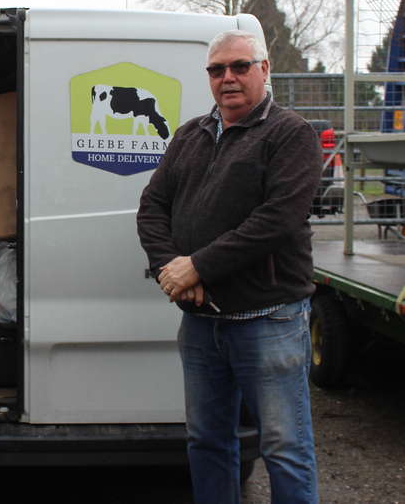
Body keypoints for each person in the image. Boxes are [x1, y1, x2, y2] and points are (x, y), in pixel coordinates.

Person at [137, 30, 321, 504]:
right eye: (217, 70)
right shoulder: (190, 135)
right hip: (202, 324)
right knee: (207, 442)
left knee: (285, 448)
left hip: (269, 320)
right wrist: (170, 268)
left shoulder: (290, 133)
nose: (228, 78)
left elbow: (277, 220)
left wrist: (198, 267)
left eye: (240, 66)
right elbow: (153, 207)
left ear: (264, 69)